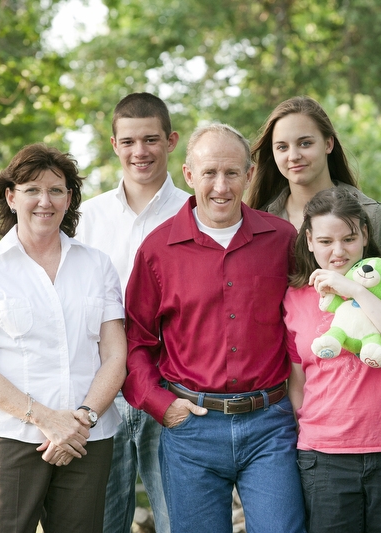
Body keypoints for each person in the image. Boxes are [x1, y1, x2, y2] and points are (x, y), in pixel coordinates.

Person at [122, 123, 304, 533]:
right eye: (209, 173)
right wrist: (162, 405)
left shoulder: (282, 239)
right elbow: (136, 342)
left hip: (270, 424)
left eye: (231, 173)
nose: (220, 186)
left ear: (249, 174)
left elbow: (305, 324)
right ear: (188, 175)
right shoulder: (157, 249)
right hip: (191, 428)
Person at [0, 144, 127, 532]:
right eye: (31, 190)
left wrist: (82, 420)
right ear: (11, 197)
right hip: (7, 438)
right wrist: (47, 420)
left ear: (69, 198)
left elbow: (114, 357)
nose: (45, 201)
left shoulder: (97, 265)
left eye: (56, 190)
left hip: (86, 440)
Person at [283, 187, 381, 533]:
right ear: (309, 241)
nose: (338, 251)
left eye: (348, 238)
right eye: (326, 241)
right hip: (325, 456)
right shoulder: (294, 297)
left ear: (364, 234)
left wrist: (356, 290)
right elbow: (297, 381)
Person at [76, 92, 184, 533]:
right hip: (100, 386)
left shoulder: (195, 212)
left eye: (151, 139)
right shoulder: (84, 216)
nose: (139, 152)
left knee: (178, 515)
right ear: (114, 144)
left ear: (171, 141)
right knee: (100, 518)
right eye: (128, 141)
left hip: (173, 381)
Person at [248, 95, 381, 261]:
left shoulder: (372, 216)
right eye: (282, 147)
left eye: (305, 143)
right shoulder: (259, 223)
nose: (293, 156)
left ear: (328, 144)